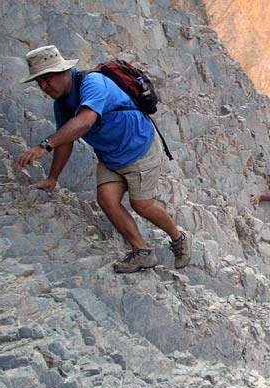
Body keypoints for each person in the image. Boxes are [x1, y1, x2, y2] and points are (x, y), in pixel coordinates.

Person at [17, 45, 191, 273]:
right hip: (111, 156)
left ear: (64, 71)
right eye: (39, 82)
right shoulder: (61, 104)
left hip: (140, 149)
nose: (44, 86)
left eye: (47, 79)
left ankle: (179, 238)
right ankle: (143, 253)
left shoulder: (93, 83)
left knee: (142, 204)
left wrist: (45, 145)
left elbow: (85, 121)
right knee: (107, 199)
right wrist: (52, 178)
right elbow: (65, 140)